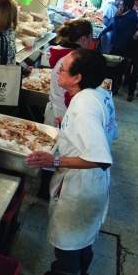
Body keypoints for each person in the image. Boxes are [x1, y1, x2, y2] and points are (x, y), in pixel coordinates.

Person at [25, 48, 119, 275]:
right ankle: (79, 271)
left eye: (63, 69)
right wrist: (67, 127)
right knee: (82, 237)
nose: (58, 73)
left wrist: (53, 160)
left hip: (81, 186)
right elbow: (111, 132)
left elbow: (100, 158)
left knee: (68, 240)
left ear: (77, 78)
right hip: (95, 185)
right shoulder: (100, 93)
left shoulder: (83, 106)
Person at [37, 19, 93, 200]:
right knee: (57, 154)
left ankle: (46, 189)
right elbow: (71, 94)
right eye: (91, 38)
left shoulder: (65, 57)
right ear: (84, 38)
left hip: (57, 110)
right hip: (62, 113)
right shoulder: (73, 61)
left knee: (52, 151)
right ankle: (48, 191)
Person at [99, 0, 138, 93]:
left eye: (121, 4)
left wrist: (116, 17)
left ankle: (114, 88)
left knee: (117, 69)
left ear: (126, 6)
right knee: (110, 67)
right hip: (116, 45)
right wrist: (104, 32)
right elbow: (112, 25)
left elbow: (118, 28)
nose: (119, 6)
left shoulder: (131, 18)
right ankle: (106, 87)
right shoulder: (125, 13)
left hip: (122, 47)